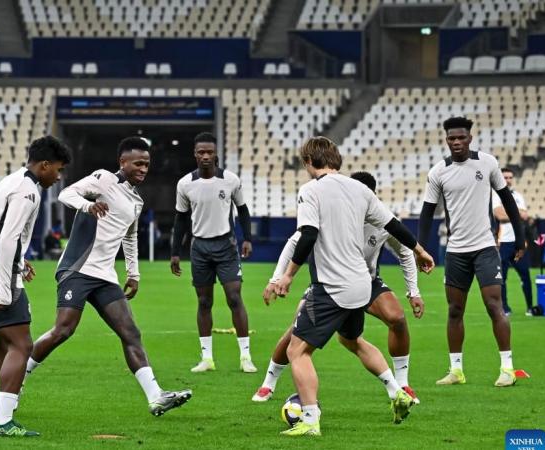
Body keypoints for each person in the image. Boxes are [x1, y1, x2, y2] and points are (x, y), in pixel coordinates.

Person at [269, 137, 435, 436]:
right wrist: (421, 250)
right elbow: (394, 224)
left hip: (332, 286)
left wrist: (288, 276)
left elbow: (307, 234)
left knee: (297, 351)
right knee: (351, 340)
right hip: (362, 285)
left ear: (309, 161)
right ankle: (397, 390)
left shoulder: (310, 191)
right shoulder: (360, 189)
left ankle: (309, 420)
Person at [23, 137, 191, 417]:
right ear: (122, 162)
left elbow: (131, 235)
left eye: (147, 164)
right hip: (78, 268)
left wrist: (134, 273)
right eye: (138, 163)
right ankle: (19, 377)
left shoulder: (136, 199)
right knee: (63, 330)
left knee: (130, 332)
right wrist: (88, 206)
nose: (143, 168)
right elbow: (67, 194)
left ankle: (155, 396)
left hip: (105, 276)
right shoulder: (102, 179)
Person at [253, 171, 425, 405]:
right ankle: (268, 383)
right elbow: (295, 241)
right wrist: (277, 278)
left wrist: (413, 292)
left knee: (397, 318)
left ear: (370, 196)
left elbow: (405, 251)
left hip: (366, 282)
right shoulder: (331, 212)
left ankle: (402, 384)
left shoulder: (381, 219)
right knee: (296, 333)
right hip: (329, 282)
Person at [0, 136, 71, 437]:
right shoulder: (28, 192)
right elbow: (8, 239)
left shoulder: (7, 182)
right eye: (58, 170)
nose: (59, 176)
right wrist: (5, 286)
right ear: (45, 165)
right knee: (22, 345)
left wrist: (20, 261)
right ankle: (3, 421)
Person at [418, 117, 525, 388]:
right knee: (455, 310)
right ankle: (456, 371)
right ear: (446, 140)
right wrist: (420, 248)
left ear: (470, 138)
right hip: (456, 252)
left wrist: (521, 238)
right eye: (451, 138)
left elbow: (508, 200)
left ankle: (507, 369)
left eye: (461, 138)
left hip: (485, 248)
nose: (456, 142)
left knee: (493, 305)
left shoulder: (487, 163)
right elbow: (427, 212)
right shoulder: (438, 172)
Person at [170, 132, 256, 373]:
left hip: (226, 246)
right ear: (195, 155)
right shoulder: (185, 184)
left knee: (234, 298)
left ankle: (245, 357)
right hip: (199, 248)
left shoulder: (230, 180)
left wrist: (247, 238)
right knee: (204, 301)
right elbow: (181, 219)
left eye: (209, 152)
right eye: (201, 152)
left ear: (216, 154)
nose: (206, 156)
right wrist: (175, 252)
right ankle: (207, 359)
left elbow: (243, 210)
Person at [493, 168, 533, 316]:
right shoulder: (496, 195)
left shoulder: (518, 195)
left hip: (518, 242)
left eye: (510, 177)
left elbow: (525, 215)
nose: (508, 180)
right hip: (503, 243)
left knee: (525, 276)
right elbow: (499, 215)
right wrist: (516, 214)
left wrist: (508, 212)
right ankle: (505, 308)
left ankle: (530, 307)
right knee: (502, 278)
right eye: (505, 177)